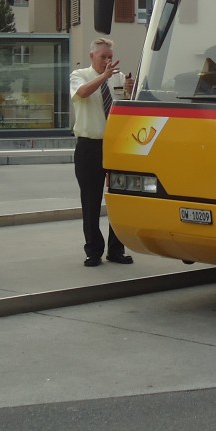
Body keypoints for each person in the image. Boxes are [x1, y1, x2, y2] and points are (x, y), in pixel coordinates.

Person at [70, 37, 134, 267]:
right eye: (102, 57)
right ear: (92, 57)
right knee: (91, 200)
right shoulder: (79, 76)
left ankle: (116, 249)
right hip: (90, 145)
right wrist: (103, 77)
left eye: (109, 57)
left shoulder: (118, 76)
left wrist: (130, 91)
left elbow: (125, 107)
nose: (107, 61)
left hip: (116, 145)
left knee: (118, 197)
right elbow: (83, 93)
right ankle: (93, 250)